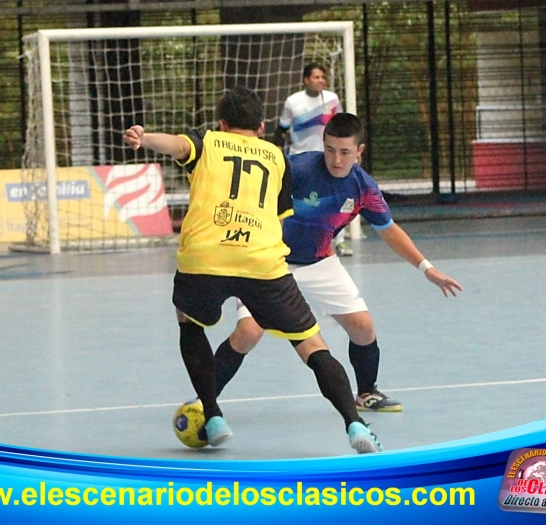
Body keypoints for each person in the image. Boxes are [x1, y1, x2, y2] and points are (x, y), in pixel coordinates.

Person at [123, 87, 383, 454]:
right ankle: (355, 425)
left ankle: (212, 415)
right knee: (311, 344)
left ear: (222, 124)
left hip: (206, 256)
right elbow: (280, 218)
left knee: (189, 320)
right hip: (263, 262)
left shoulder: (210, 142)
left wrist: (144, 137)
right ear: (261, 127)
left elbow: (178, 146)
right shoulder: (277, 157)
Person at [212, 113, 463, 414]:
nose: (336, 159)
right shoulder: (299, 168)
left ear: (359, 151)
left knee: (363, 327)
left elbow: (389, 230)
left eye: (345, 152)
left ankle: (367, 393)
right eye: (330, 149)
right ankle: (206, 399)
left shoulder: (363, 188)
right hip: (268, 261)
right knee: (248, 333)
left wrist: (427, 268)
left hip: (319, 262)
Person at [273, 62, 353, 257]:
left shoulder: (332, 100)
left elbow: (343, 126)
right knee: (299, 202)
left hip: (326, 159)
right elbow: (281, 130)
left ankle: (339, 242)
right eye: (316, 77)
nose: (320, 81)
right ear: (306, 80)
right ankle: (287, 241)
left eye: (323, 77)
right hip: (300, 160)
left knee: (336, 200)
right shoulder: (293, 102)